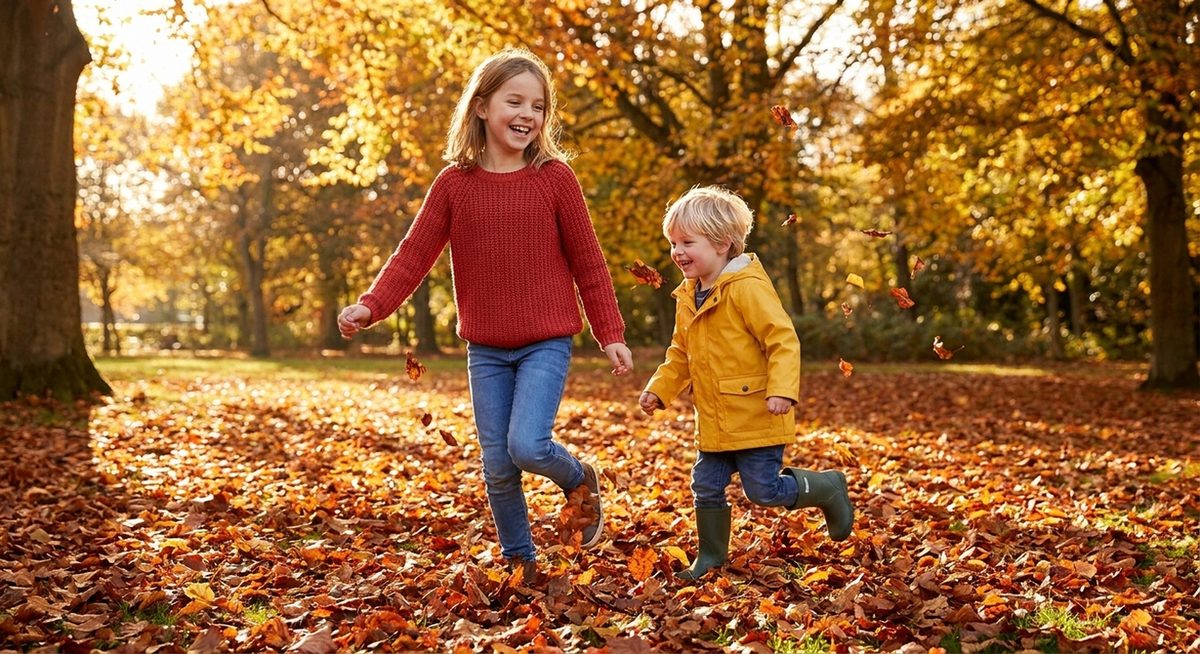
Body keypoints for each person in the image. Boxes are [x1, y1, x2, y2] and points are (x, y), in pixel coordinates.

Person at [338, 49, 633, 582]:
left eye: (538, 106)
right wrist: (371, 304)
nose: (527, 115)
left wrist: (609, 331)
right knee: (498, 465)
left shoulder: (555, 179)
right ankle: (520, 564)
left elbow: (589, 263)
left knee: (527, 446)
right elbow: (414, 254)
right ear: (480, 107)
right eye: (514, 102)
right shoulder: (455, 184)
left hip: (546, 341)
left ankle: (577, 479)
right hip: (487, 349)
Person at [638, 186, 853, 581]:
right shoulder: (688, 295)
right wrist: (658, 389)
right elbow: (681, 352)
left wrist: (782, 389)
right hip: (715, 420)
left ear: (722, 244)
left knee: (763, 491)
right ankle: (711, 556)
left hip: (756, 414)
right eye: (673, 243)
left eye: (687, 242)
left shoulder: (746, 287)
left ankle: (827, 488)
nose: (677, 251)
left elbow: (781, 339)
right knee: (705, 485)